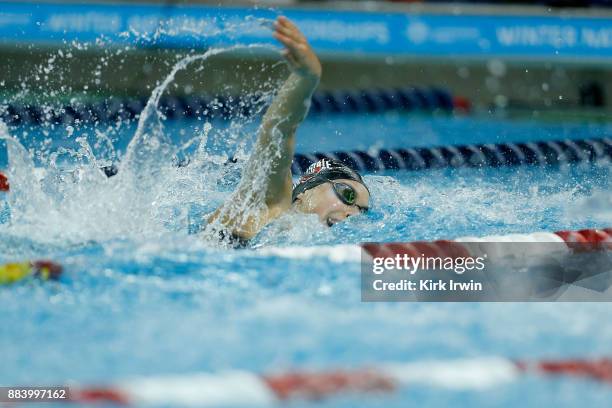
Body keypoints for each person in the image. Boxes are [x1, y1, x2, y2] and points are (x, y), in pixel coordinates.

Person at [206, 16, 370, 243]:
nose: (352, 213)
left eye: (362, 212)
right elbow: (278, 131)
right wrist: (307, 78)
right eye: (347, 195)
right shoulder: (268, 206)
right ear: (305, 191)